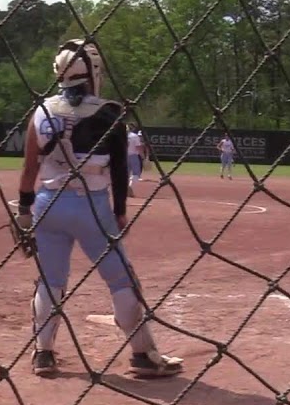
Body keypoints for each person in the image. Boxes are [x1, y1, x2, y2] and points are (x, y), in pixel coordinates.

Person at [12, 38, 183, 378]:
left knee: (50, 280)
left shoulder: (42, 110)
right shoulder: (109, 112)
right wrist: (120, 211)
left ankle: (42, 354)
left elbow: (30, 167)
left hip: (47, 204)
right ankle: (143, 356)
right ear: (92, 72)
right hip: (92, 206)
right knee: (121, 280)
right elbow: (120, 170)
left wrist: (25, 211)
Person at [126, 122, 144, 197]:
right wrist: (142, 156)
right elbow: (138, 147)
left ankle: (125, 189)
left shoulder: (121, 136)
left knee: (125, 174)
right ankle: (130, 186)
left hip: (123, 156)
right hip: (133, 156)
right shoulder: (134, 136)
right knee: (136, 173)